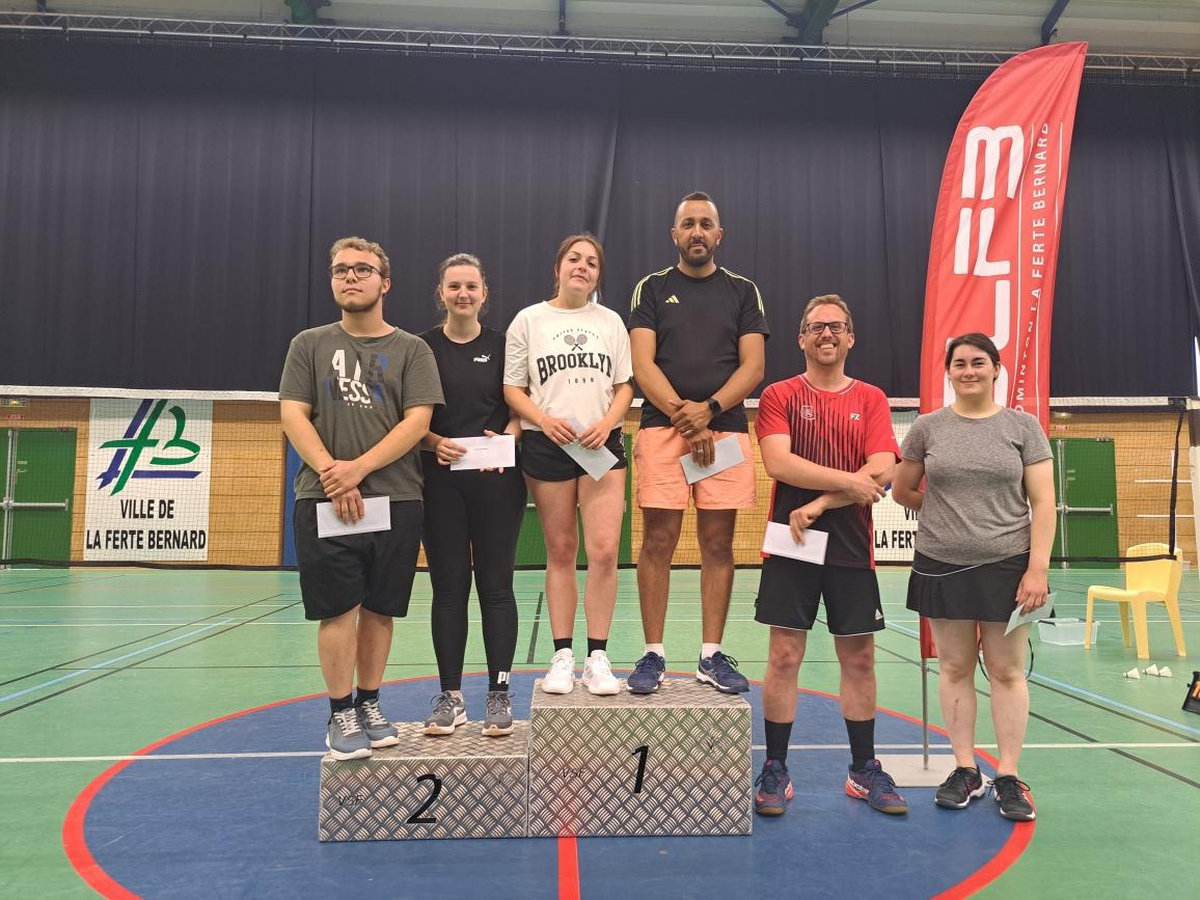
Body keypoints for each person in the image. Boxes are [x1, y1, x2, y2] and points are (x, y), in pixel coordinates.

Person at [280, 236, 443, 760]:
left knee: (379, 609)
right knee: (337, 610)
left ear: (384, 282)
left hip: (396, 499)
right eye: (341, 270)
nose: (350, 277)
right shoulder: (308, 345)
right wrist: (334, 474)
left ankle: (370, 702)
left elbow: (417, 422)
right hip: (323, 498)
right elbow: (293, 414)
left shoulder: (412, 350)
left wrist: (359, 470)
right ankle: (340, 713)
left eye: (362, 269)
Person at [752, 294, 907, 818]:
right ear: (801, 338)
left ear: (850, 338)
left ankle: (863, 769)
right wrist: (849, 483)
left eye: (837, 327)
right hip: (790, 540)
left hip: (850, 543)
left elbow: (882, 468)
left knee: (859, 657)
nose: (827, 334)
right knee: (783, 656)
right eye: (817, 326)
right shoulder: (779, 395)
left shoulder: (872, 398)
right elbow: (780, 463)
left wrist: (821, 502)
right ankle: (775, 767)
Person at [892, 332, 1054, 822]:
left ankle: (1008, 775)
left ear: (996, 369)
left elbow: (1043, 502)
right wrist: (946, 511)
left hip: (1009, 566)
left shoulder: (1022, 427)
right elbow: (902, 491)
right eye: (959, 363)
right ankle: (965, 768)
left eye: (978, 362)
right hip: (942, 565)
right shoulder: (927, 428)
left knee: (1006, 671)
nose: (968, 371)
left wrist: (1037, 570)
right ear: (948, 371)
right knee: (955, 667)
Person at [626, 191, 767, 695]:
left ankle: (710, 654)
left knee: (718, 543)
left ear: (719, 235)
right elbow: (642, 364)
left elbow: (753, 366)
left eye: (706, 224)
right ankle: (653, 653)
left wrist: (708, 411)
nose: (697, 232)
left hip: (723, 433)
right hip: (662, 430)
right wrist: (685, 419)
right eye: (688, 224)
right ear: (675, 235)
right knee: (657, 541)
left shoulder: (743, 291)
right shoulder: (652, 288)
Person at [503, 234, 634, 696]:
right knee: (560, 550)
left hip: (600, 445)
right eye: (574, 259)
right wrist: (542, 420)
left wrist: (608, 423)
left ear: (598, 275)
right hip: (548, 444)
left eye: (592, 262)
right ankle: (562, 655)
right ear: (558, 267)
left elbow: (624, 385)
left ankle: (598, 657)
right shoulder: (529, 320)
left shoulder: (611, 322)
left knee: (604, 551)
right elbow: (513, 388)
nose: (582, 267)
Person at [418, 253, 526, 737]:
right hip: (439, 485)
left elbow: (521, 408)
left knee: (497, 587)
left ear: (485, 294)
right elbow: (409, 416)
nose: (463, 294)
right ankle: (451, 697)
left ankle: (499, 694)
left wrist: (508, 439)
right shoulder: (421, 348)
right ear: (441, 293)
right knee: (449, 588)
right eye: (454, 286)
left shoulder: (506, 346)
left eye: (471, 286)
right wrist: (431, 442)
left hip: (497, 483)